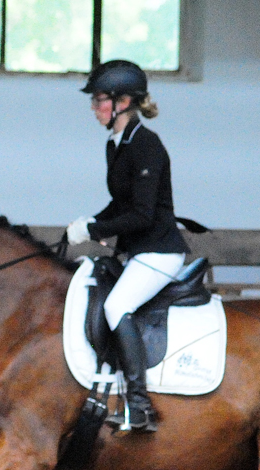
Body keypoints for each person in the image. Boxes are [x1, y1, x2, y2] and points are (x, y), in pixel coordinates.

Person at [67, 59, 189, 433]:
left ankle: (139, 405)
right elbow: (120, 203)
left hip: (159, 251)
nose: (94, 107)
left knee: (117, 306)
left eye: (99, 100)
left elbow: (141, 215)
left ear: (122, 102)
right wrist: (88, 222)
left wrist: (94, 229)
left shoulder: (147, 145)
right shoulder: (116, 145)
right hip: (139, 251)